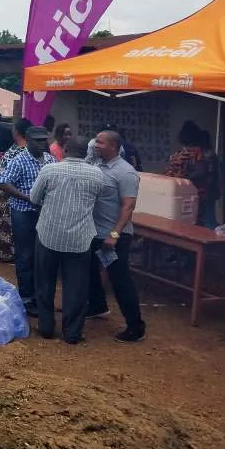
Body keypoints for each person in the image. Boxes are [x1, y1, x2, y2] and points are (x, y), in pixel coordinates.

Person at [30, 137, 103, 344]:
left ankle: (46, 327)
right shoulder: (97, 175)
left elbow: (34, 199)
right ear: (85, 153)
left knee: (45, 282)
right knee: (76, 287)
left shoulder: (49, 170)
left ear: (65, 150)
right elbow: (96, 201)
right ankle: (72, 333)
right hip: (79, 240)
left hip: (48, 235)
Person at [88, 130, 146, 342]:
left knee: (120, 280)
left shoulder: (126, 172)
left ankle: (135, 327)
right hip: (94, 232)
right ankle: (96, 306)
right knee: (90, 271)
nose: (95, 144)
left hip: (114, 237)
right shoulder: (97, 165)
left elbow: (128, 206)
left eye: (100, 142)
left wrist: (114, 234)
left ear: (113, 146)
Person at [0, 125, 55, 315]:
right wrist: (27, 197)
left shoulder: (50, 160)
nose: (42, 144)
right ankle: (27, 297)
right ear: (28, 141)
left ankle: (41, 296)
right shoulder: (19, 160)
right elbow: (3, 182)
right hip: (24, 212)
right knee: (25, 255)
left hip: (44, 213)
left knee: (43, 256)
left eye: (44, 140)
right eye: (38, 140)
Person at [0, 117, 32, 263]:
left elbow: (14, 171)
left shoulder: (25, 150)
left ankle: (5, 254)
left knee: (3, 225)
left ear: (17, 131)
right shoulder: (15, 146)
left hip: (9, 193)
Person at [196, 129, 221, 228]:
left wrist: (203, 186)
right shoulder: (208, 153)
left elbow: (210, 173)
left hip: (208, 189)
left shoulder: (208, 155)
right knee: (208, 213)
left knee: (209, 214)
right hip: (209, 189)